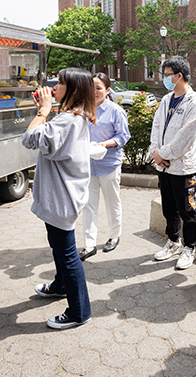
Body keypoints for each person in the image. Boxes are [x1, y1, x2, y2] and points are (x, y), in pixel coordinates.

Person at [23, 68, 96, 329]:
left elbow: (30, 139)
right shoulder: (72, 117)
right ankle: (60, 285)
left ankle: (79, 311)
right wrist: (48, 112)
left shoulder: (66, 121)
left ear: (74, 90)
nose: (54, 86)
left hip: (61, 200)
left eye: (61, 83)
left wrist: (43, 112)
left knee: (67, 254)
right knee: (57, 246)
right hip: (64, 198)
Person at [149, 56, 196, 270]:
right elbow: (156, 127)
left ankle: (190, 247)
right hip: (162, 165)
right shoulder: (166, 100)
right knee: (169, 207)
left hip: (181, 167)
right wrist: (155, 153)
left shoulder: (195, 102)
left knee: (187, 210)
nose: (164, 79)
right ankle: (173, 242)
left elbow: (186, 137)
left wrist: (163, 154)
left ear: (178, 76)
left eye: (167, 75)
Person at [78, 73, 130, 260]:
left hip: (109, 164)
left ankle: (114, 236)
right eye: (91, 88)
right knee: (88, 206)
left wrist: (104, 144)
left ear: (107, 90)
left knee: (112, 203)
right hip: (88, 166)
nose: (94, 92)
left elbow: (123, 136)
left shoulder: (116, 111)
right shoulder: (84, 110)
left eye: (98, 88)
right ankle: (89, 244)